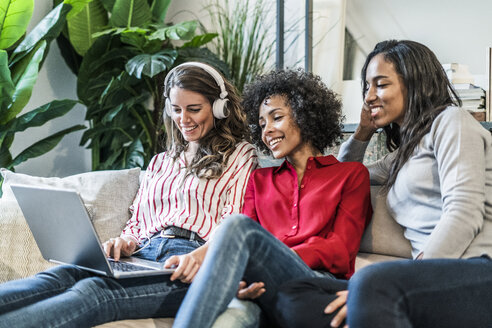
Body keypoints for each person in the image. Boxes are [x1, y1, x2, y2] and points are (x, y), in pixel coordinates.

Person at [0, 62, 258, 327]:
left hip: (192, 262)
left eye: (194, 109)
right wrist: (126, 242)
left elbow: (233, 222)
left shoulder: (240, 155)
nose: (183, 119)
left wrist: (199, 257)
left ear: (219, 108)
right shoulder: (161, 161)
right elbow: (138, 222)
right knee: (61, 275)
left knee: (94, 293)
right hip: (145, 255)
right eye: (177, 109)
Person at [273, 39, 492, 328]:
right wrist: (363, 131)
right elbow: (347, 175)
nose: (369, 96)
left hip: (475, 270)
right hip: (426, 281)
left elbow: (464, 213)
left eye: (381, 84)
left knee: (371, 283)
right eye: (367, 86)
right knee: (293, 293)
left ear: (414, 82)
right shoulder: (403, 155)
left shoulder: (452, 122)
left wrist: (411, 278)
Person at [171, 68, 373, 328]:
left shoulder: (350, 175)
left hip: (315, 283)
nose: (267, 131)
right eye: (262, 124)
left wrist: (274, 256)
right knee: (227, 323)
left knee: (236, 226)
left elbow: (340, 250)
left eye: (276, 118)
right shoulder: (260, 180)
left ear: (305, 115)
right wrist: (242, 281)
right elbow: (241, 250)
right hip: (261, 287)